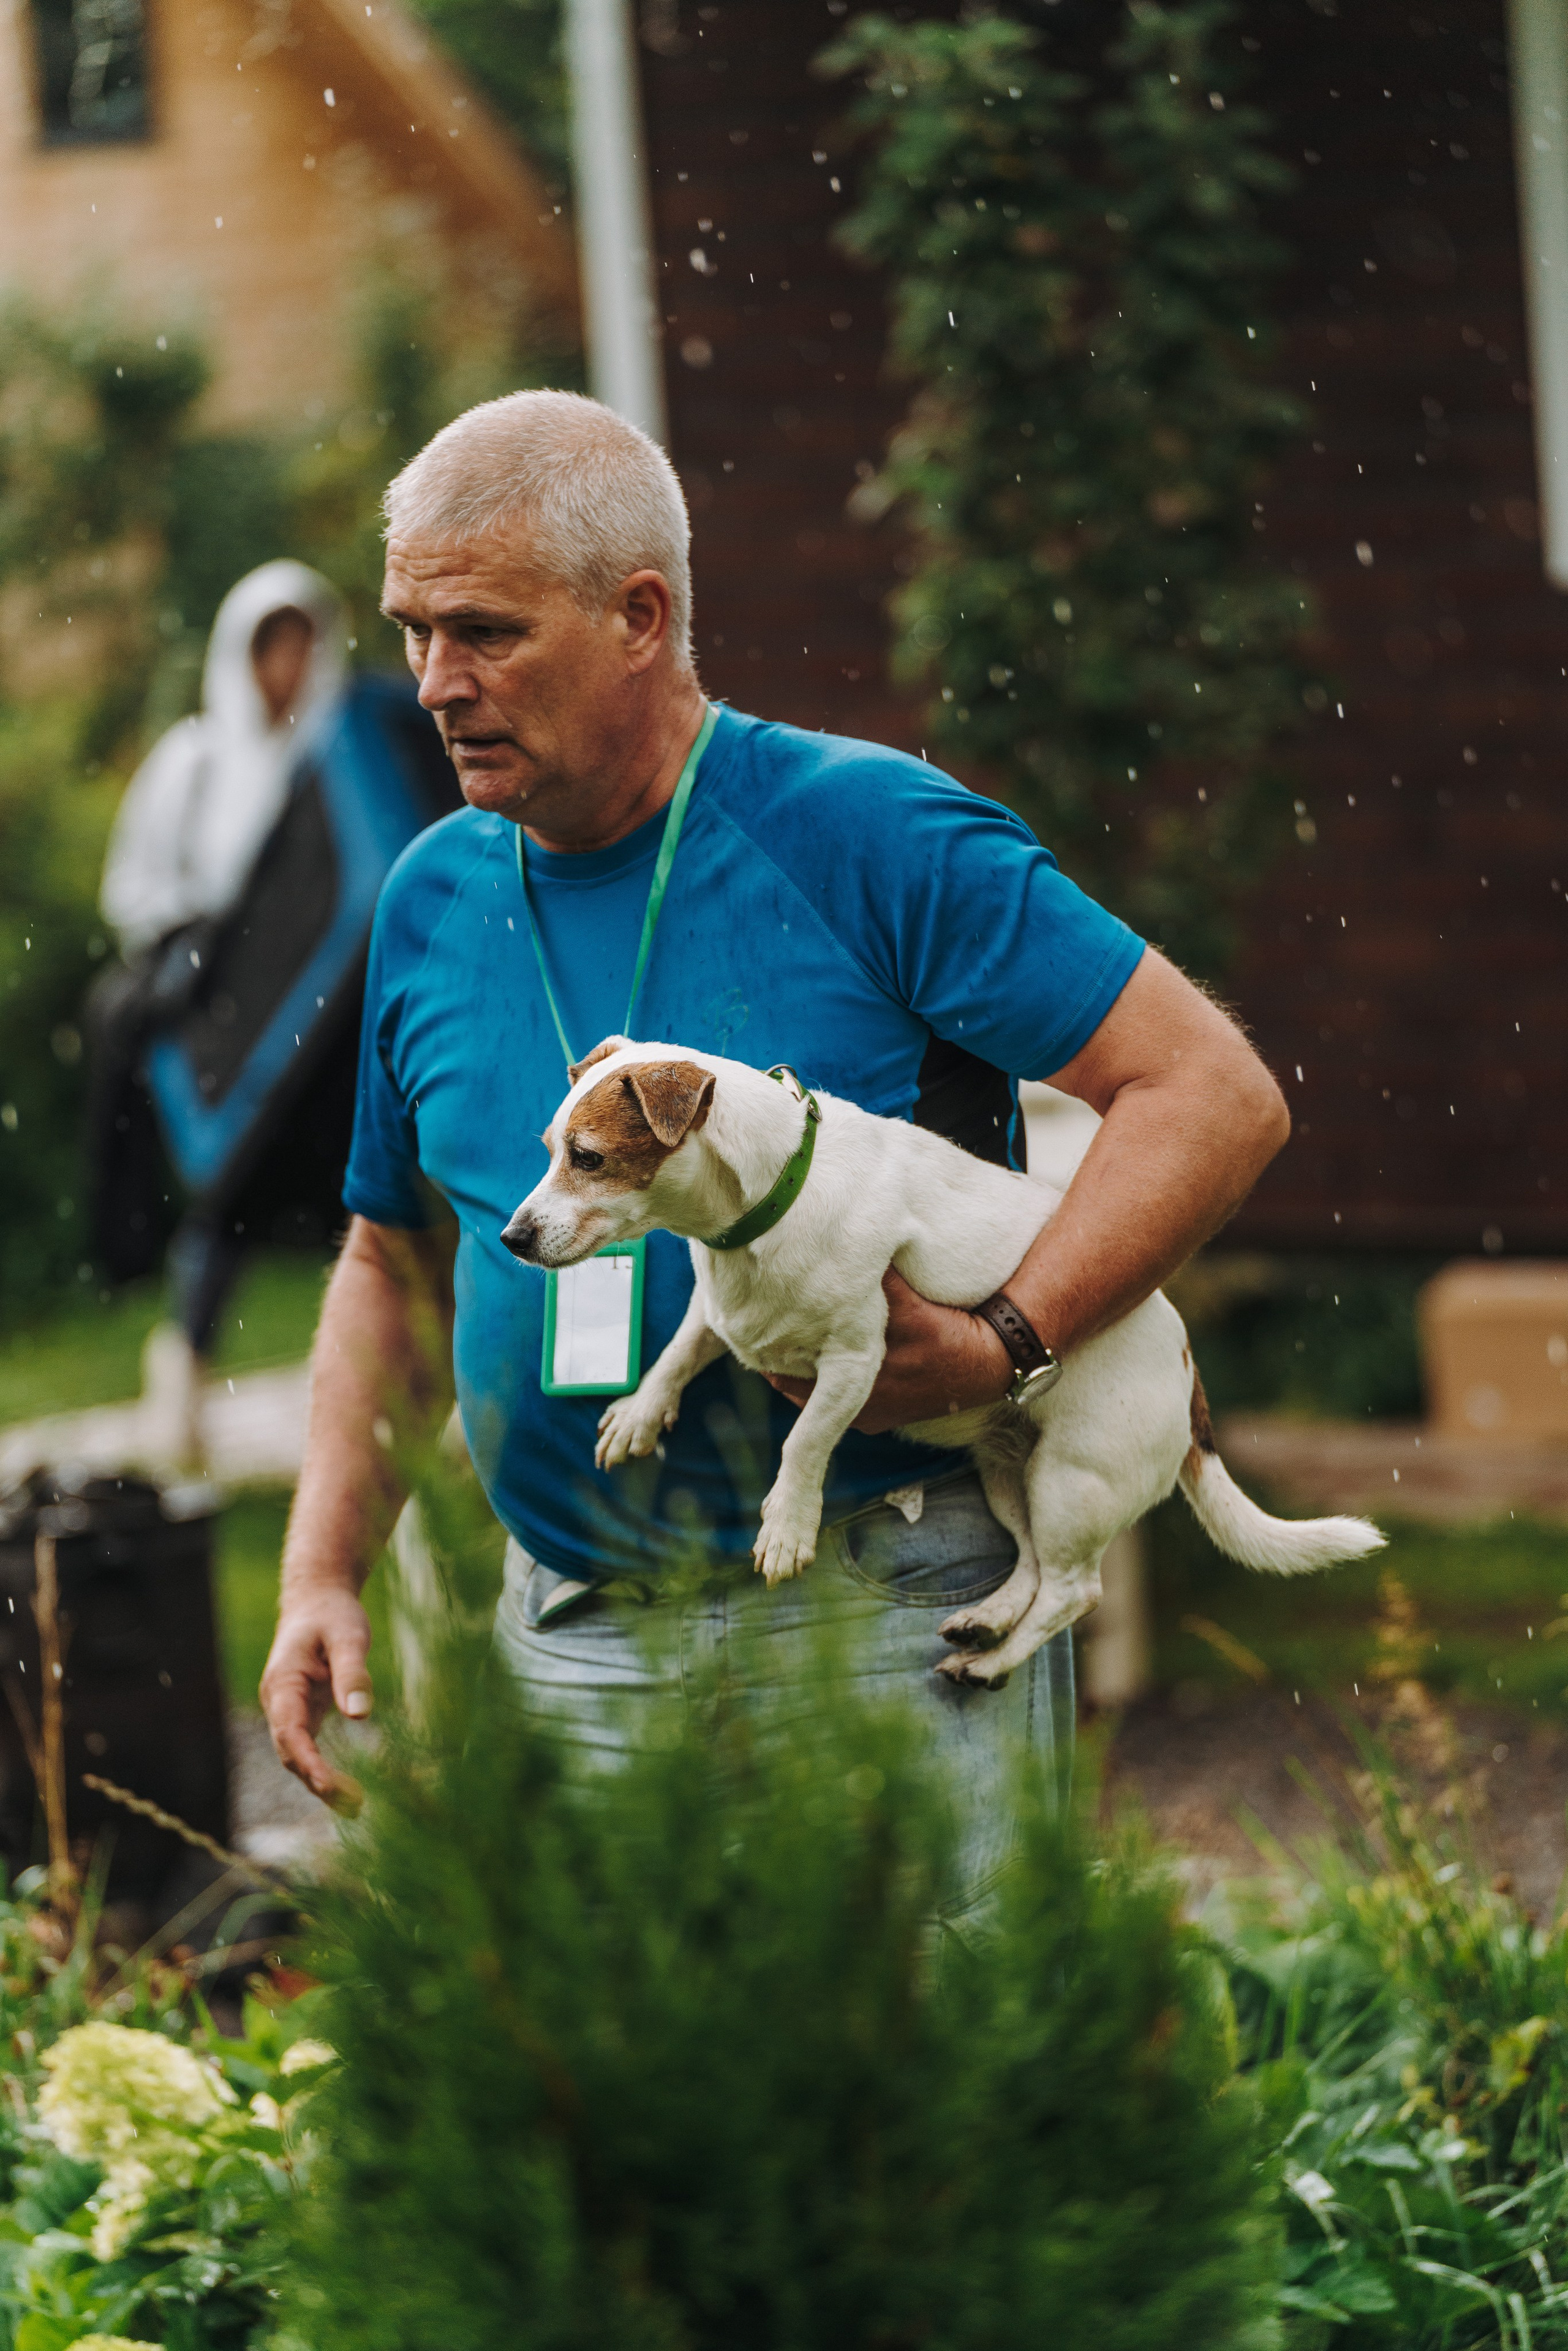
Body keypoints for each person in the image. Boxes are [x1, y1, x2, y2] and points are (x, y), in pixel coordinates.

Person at [260, 391, 1289, 1916]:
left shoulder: (868, 834)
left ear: (637, 615)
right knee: (635, 2144)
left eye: (480, 630)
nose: (431, 681)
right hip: (567, 1637)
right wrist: (320, 1572)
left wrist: (1011, 1336)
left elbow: (1209, 1094)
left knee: (917, 2125)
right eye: (412, 628)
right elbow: (391, 1257)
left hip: (879, 1608)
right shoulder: (425, 896)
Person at [91, 562, 347, 1456]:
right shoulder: (195, 761)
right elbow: (136, 890)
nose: (290, 661)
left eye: (304, 641)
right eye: (273, 643)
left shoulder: (333, 770)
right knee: (227, 1192)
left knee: (357, 1201)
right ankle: (180, 1391)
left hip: (323, 1027)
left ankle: (365, 1387)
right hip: (227, 1029)